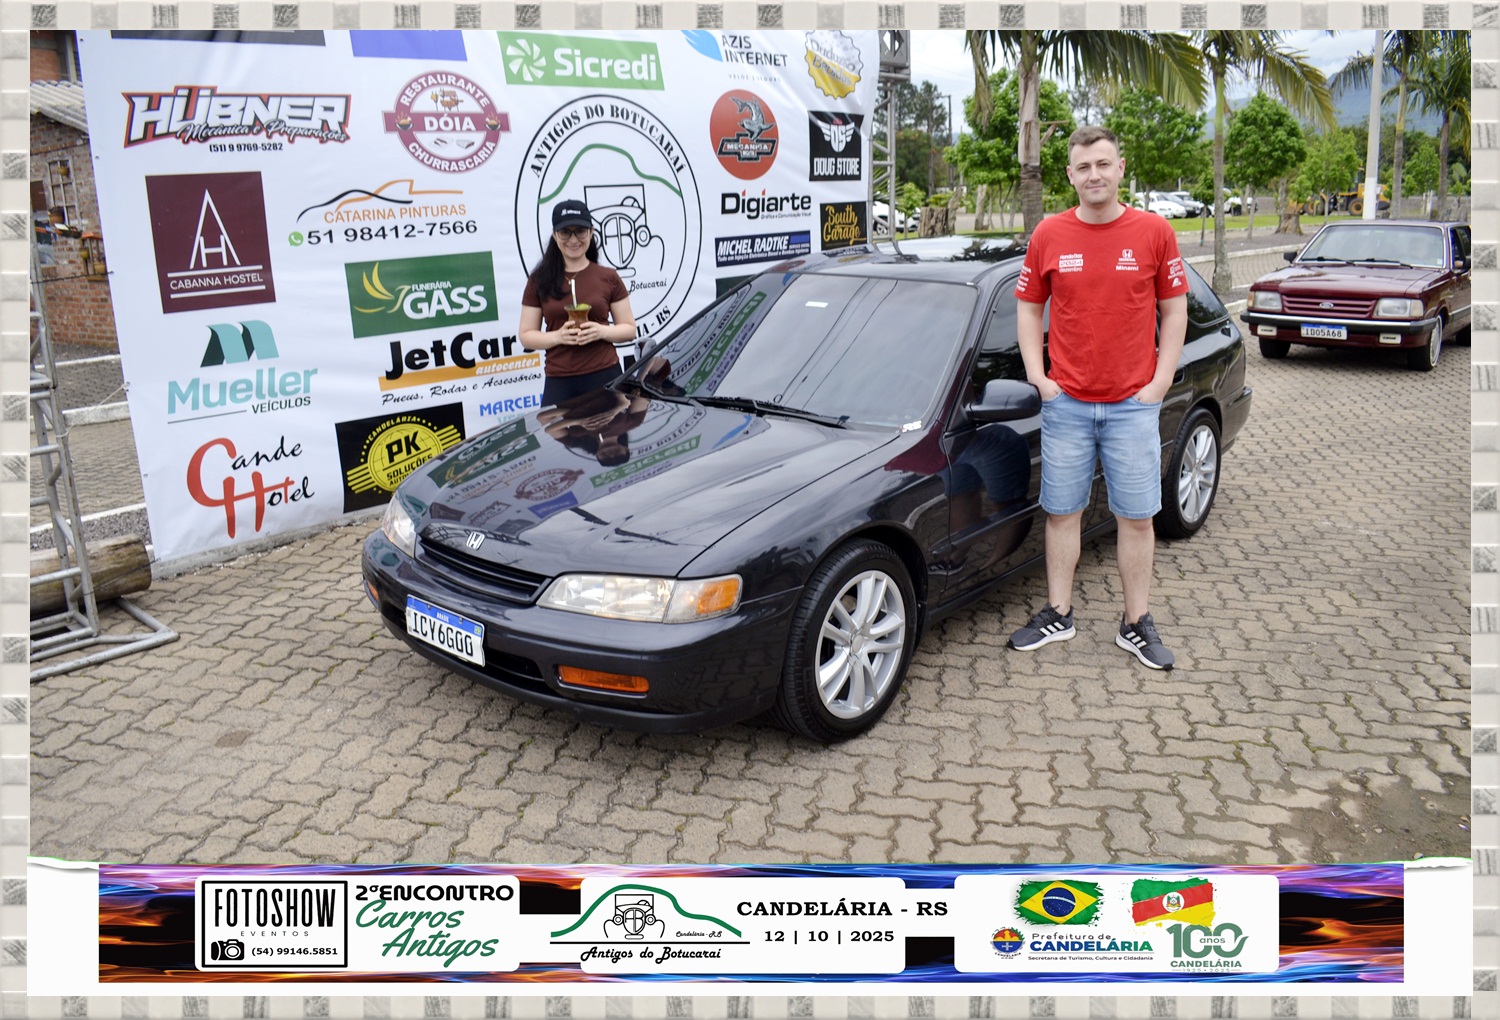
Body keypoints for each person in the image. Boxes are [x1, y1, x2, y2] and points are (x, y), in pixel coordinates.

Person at [1007, 126, 1190, 670]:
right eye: (1084, 167)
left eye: (1103, 164)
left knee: (1137, 518)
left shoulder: (1154, 232)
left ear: (1120, 168)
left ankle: (1136, 623)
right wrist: (1039, 377)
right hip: (1066, 404)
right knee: (1062, 513)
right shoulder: (1049, 234)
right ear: (1070, 175)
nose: (1095, 175)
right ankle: (1059, 613)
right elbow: (1028, 308)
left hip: (1133, 405)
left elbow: (1174, 310)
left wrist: (1159, 383)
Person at [519, 199, 637, 406]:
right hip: (560, 380)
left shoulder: (608, 277)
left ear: (591, 232)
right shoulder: (539, 280)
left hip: (605, 375)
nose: (573, 240)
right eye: (565, 232)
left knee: (613, 428)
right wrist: (558, 336)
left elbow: (629, 329)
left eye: (580, 231)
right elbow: (526, 336)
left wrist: (601, 331)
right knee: (555, 428)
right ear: (555, 235)